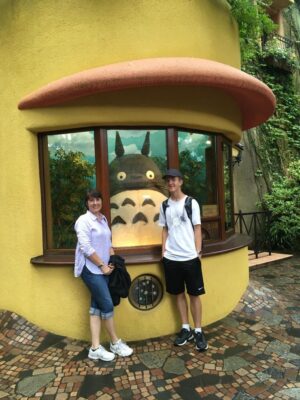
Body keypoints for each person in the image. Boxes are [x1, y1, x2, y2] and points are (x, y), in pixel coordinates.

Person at [74, 189, 133, 361]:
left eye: (97, 200)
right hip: (91, 269)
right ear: (87, 203)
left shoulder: (102, 219)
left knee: (97, 306)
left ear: (101, 201)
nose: (95, 203)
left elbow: (108, 242)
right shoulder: (83, 221)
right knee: (107, 304)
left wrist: (112, 259)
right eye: (91, 201)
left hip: (105, 268)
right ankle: (115, 342)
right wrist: (101, 265)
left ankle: (95, 348)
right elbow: (85, 248)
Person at [159, 169, 208, 352]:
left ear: (180, 181)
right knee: (178, 294)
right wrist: (163, 250)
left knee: (194, 295)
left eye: (174, 179)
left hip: (189, 257)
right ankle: (185, 328)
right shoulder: (164, 205)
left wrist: (198, 251)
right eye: (168, 180)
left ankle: (198, 330)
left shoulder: (191, 203)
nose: (170, 182)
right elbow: (164, 228)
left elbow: (197, 228)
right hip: (171, 258)